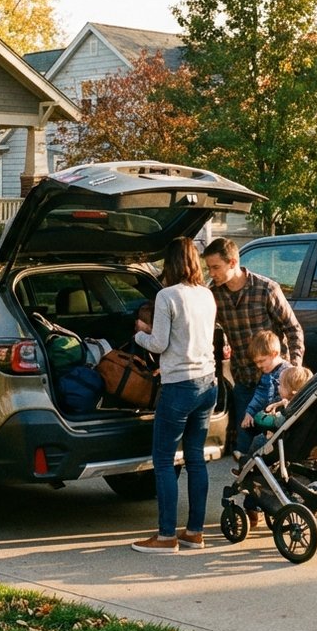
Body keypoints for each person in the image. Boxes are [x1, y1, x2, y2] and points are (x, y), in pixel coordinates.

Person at [131, 236, 218, 554]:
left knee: (164, 460)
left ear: (170, 263)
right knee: (195, 459)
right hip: (208, 383)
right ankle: (194, 532)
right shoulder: (207, 295)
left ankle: (166, 536)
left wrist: (140, 332)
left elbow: (159, 344)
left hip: (179, 385)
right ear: (194, 260)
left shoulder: (167, 296)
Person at [202, 237, 305, 451]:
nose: (211, 273)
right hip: (245, 382)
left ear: (232, 263)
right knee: (245, 446)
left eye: (215, 267)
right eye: (208, 268)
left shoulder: (266, 289)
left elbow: (293, 329)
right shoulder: (213, 295)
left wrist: (293, 371)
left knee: (278, 446)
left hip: (276, 383)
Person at [236, 330, 290, 456]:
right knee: (249, 427)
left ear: (274, 354)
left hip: (283, 417)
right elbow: (260, 395)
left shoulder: (288, 373)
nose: (259, 365)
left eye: (262, 361)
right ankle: (245, 456)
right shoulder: (267, 374)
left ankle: (249, 461)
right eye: (256, 362)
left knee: (258, 440)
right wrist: (249, 411)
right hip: (272, 417)